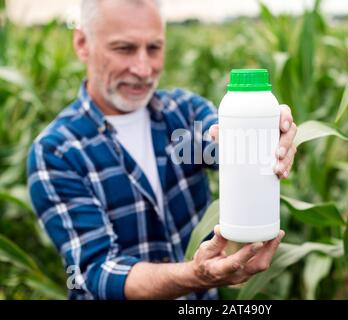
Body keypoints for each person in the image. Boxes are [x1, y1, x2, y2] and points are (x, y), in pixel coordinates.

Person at [26, 0, 298, 300]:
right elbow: (97, 271)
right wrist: (195, 275)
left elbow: (232, 149)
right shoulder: (57, 152)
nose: (143, 69)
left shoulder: (183, 113)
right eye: (124, 48)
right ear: (82, 43)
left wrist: (271, 131)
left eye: (154, 48)